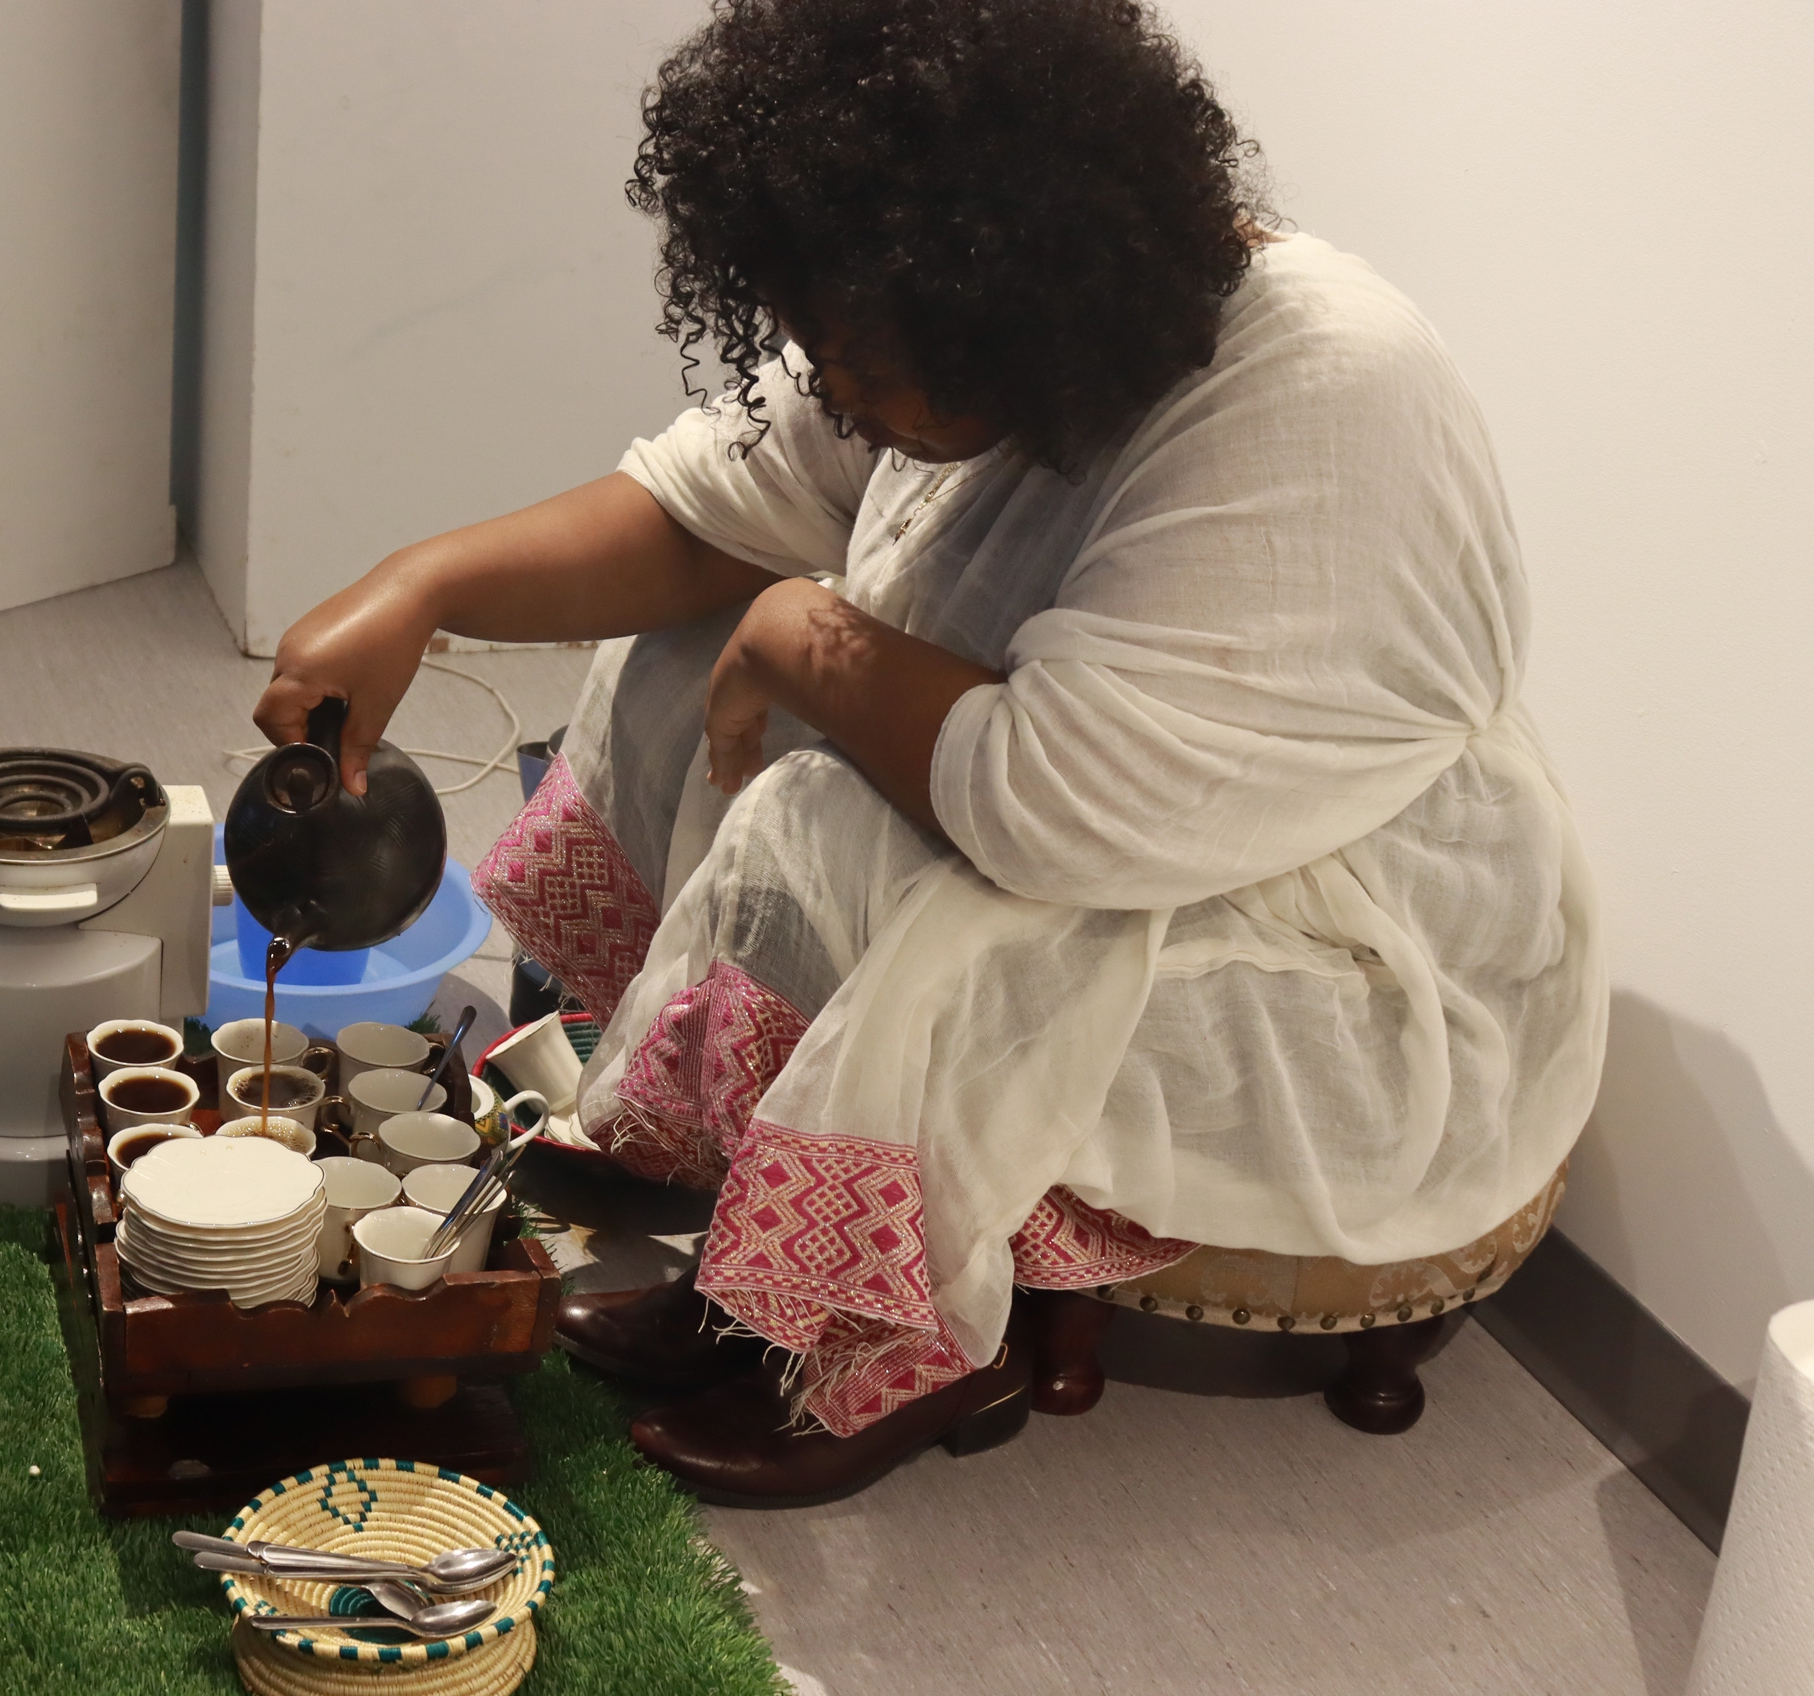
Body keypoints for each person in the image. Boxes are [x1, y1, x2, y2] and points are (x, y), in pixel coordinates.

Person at [254, 0, 1604, 1506]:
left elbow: (1055, 810)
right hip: (1095, 795)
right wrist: (416, 590)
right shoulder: (955, 303)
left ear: (1010, 302)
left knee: (828, 823)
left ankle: (896, 1339)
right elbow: (711, 508)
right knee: (669, 661)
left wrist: (798, 634)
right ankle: (749, 1212)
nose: (840, 396)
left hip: (1324, 930)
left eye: (861, 367)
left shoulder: (1322, 390)